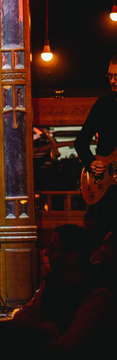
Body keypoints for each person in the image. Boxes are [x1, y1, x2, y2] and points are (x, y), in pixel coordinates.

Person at [11, 224, 111, 356]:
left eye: (52, 248)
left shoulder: (97, 292)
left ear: (71, 256)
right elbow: (21, 315)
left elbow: (70, 345)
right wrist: (41, 330)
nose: (46, 252)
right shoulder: (53, 281)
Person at [74, 54, 117, 244]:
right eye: (110, 76)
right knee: (107, 240)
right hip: (106, 188)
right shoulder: (103, 104)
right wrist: (91, 162)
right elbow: (81, 141)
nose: (113, 81)